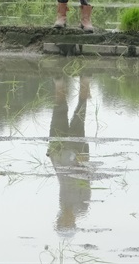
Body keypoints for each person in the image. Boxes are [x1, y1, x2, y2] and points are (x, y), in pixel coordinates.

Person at [47, 74, 92, 237]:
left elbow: (62, 178)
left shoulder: (63, 205)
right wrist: (82, 158)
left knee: (58, 113)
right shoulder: (82, 207)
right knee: (80, 113)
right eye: (66, 223)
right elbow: (86, 180)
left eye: (61, 222)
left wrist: (52, 156)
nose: (63, 220)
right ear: (73, 222)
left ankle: (59, 84)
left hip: (58, 151)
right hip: (75, 151)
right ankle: (85, 81)